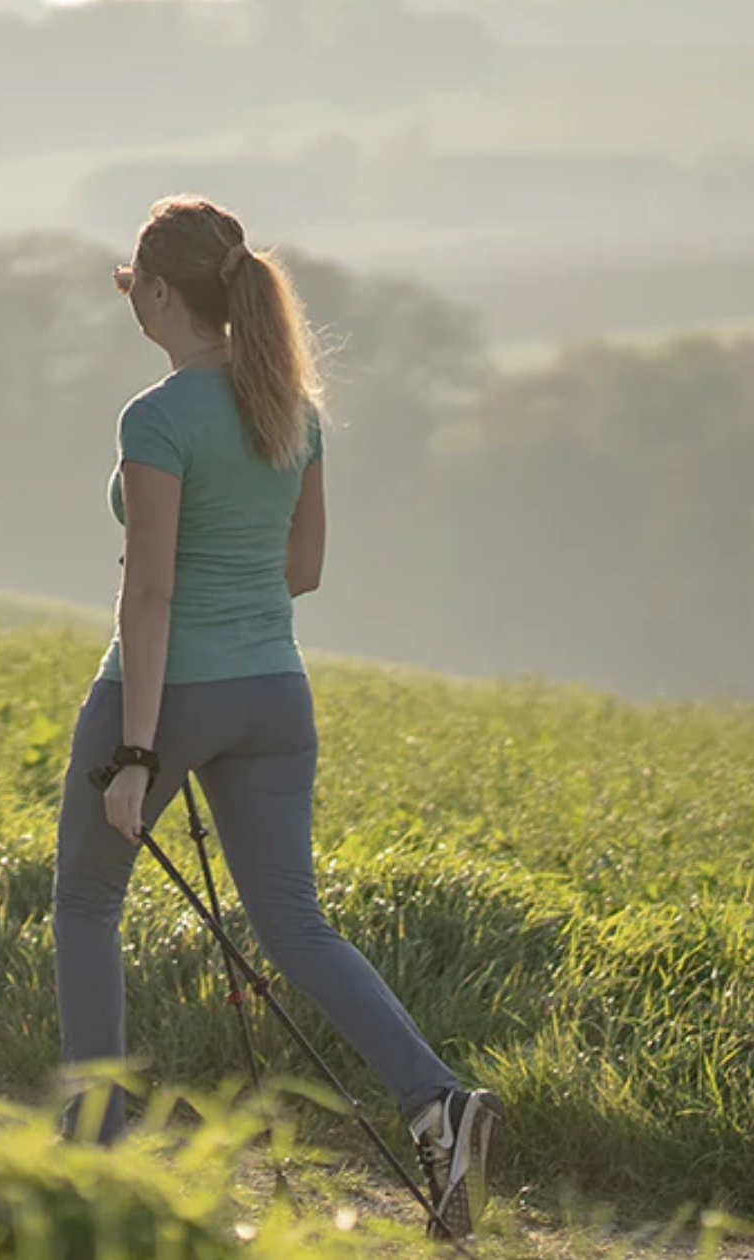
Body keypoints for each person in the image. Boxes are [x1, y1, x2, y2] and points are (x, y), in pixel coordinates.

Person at [49, 194, 502, 1239]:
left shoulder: (154, 418)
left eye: (132, 287)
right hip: (274, 695)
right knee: (294, 926)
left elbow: (149, 594)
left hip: (164, 691)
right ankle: (436, 1103)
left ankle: (94, 1156)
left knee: (85, 903)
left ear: (158, 293)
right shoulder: (289, 410)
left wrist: (133, 752)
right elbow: (301, 569)